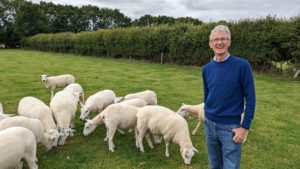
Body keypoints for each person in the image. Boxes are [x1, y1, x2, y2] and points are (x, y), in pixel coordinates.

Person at [202, 25, 256, 169]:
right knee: (214, 165)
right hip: (210, 125)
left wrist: (244, 127)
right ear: (210, 44)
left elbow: (251, 99)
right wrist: (207, 116)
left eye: (223, 39)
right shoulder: (206, 69)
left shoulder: (242, 66)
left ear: (229, 42)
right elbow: (207, 95)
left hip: (231, 128)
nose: (219, 42)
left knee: (231, 166)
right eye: (216, 39)